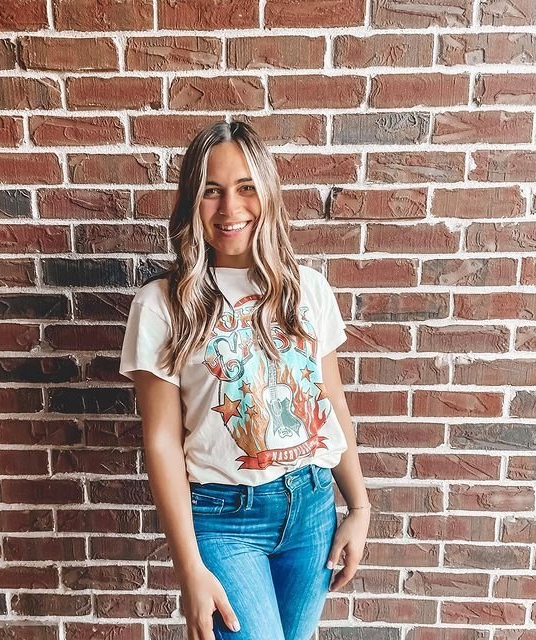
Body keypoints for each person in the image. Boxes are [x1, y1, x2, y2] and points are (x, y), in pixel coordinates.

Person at [119, 121, 371, 640]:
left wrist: (360, 506)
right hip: (223, 519)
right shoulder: (162, 303)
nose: (230, 207)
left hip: (312, 507)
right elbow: (161, 441)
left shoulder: (308, 289)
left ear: (268, 193)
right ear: (192, 201)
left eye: (245, 187)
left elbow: (331, 402)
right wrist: (189, 567)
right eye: (212, 190)